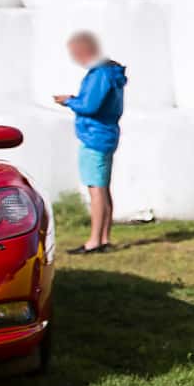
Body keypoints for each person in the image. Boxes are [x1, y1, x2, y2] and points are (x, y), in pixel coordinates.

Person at [53, 31, 126, 255]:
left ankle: (94, 240)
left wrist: (69, 101)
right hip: (106, 134)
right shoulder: (111, 73)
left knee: (96, 188)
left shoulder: (99, 74)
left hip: (94, 136)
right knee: (103, 188)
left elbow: (90, 105)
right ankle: (103, 237)